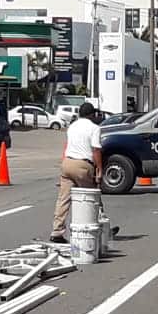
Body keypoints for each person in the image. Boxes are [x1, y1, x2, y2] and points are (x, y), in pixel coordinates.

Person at [50, 102, 103, 244]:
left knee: (63, 198)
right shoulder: (94, 128)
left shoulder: (72, 126)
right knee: (91, 196)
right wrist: (99, 168)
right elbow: (96, 150)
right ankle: (97, 225)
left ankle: (57, 231)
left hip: (67, 163)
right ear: (92, 115)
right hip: (82, 165)